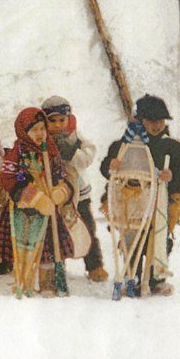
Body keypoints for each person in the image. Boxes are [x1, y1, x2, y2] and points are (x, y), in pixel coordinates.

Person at [99, 94, 180, 296]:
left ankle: (156, 279)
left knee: (160, 237)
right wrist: (111, 165)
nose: (156, 125)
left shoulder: (174, 146)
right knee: (131, 237)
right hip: (131, 199)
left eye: (160, 121)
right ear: (140, 120)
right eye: (151, 121)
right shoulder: (123, 145)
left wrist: (173, 175)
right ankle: (131, 276)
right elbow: (106, 167)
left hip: (161, 200)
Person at [0, 107, 73, 297]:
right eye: (35, 130)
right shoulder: (17, 152)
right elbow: (7, 179)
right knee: (23, 245)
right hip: (24, 212)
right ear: (24, 132)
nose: (40, 134)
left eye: (42, 128)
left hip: (48, 209)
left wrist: (61, 191)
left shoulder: (51, 150)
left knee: (48, 249)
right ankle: (23, 280)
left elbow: (61, 175)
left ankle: (48, 283)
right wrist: (31, 196)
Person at [42, 95, 107, 282]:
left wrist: (70, 151)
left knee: (86, 228)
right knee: (54, 231)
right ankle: (56, 266)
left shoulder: (76, 137)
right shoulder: (42, 137)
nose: (57, 125)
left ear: (69, 118)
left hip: (79, 193)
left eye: (61, 120)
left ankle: (95, 265)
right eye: (52, 121)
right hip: (54, 194)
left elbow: (86, 159)